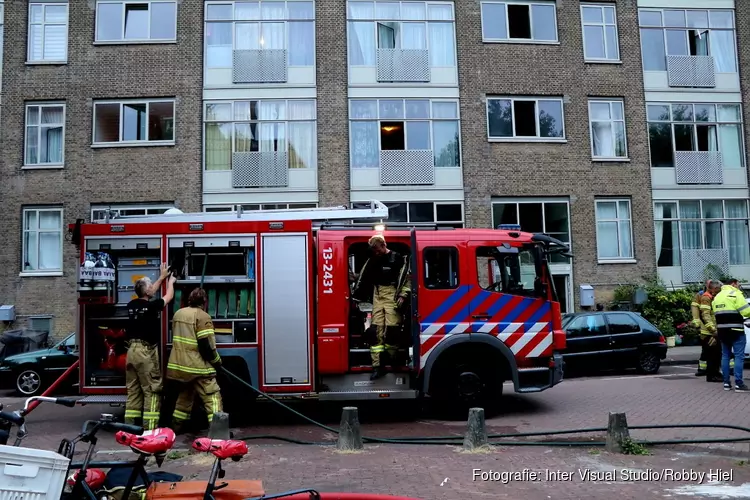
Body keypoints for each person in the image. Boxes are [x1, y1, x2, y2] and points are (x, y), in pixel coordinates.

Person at [124, 263, 176, 430]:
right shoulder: (152, 306)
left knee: (133, 392)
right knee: (152, 390)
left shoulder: (131, 306)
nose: (152, 286)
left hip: (131, 352)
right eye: (149, 284)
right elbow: (168, 296)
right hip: (145, 353)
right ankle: (150, 431)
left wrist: (161, 276)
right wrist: (171, 282)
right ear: (147, 292)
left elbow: (150, 290)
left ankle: (129, 429)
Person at [352, 235, 411, 380]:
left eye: (377, 249)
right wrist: (355, 278)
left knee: (392, 329)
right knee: (375, 330)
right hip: (377, 294)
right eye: (374, 250)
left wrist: (403, 295)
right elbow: (365, 276)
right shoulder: (373, 259)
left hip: (392, 293)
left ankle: (393, 361)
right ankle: (377, 366)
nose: (376, 252)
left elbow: (407, 279)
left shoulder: (398, 259)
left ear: (383, 245)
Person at [166, 288, 223, 432]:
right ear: (204, 301)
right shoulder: (203, 317)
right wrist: (217, 362)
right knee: (212, 397)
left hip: (179, 367)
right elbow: (206, 346)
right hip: (197, 367)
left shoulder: (179, 313)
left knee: (185, 396)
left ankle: (176, 427)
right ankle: (218, 430)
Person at [712, 278, 749, 392]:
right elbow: (746, 311)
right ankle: (739, 383)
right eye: (738, 284)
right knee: (739, 356)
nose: (739, 286)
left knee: (725, 356)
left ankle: (726, 384)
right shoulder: (735, 294)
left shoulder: (717, 297)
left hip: (722, 331)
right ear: (733, 284)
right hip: (736, 330)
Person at [699, 280, 722, 382]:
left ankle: (715, 374)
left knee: (716, 354)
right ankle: (712, 376)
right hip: (709, 333)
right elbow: (705, 315)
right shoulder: (706, 298)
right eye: (718, 289)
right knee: (712, 355)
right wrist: (712, 329)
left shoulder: (711, 297)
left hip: (711, 331)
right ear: (714, 288)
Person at [691, 279, 711, 377]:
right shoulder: (700, 295)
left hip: (715, 326)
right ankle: (702, 369)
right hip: (705, 327)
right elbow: (696, 310)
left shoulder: (717, 294)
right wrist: (697, 323)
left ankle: (731, 368)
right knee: (705, 349)